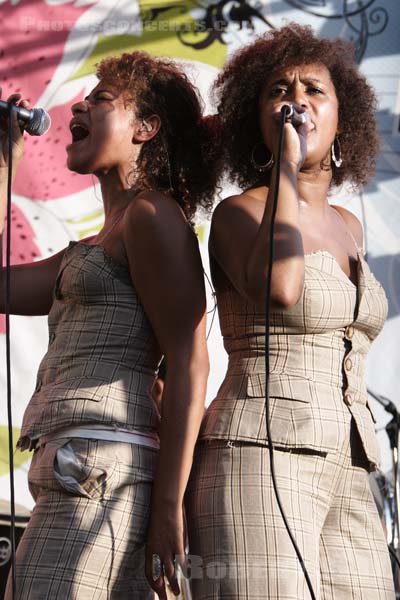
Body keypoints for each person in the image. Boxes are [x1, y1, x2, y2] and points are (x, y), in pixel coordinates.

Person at [185, 24, 395, 599]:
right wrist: (284, 166)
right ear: (255, 117)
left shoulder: (349, 227)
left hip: (350, 460)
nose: (296, 101)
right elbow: (281, 288)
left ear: (342, 116)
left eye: (313, 90)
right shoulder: (239, 214)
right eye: (279, 91)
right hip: (259, 452)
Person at [0, 51, 214, 600]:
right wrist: (6, 164)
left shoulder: (152, 216)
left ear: (145, 127)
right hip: (78, 473)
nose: (79, 105)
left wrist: (169, 508)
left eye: (100, 99)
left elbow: (190, 364)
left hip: (103, 477)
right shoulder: (101, 240)